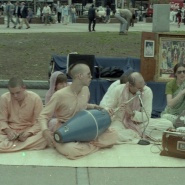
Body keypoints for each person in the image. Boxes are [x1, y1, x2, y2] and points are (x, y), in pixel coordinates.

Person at [38, 63, 117, 159]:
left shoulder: (86, 90)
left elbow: (81, 106)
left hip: (84, 127)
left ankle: (84, 143)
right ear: (79, 76)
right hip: (65, 129)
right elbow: (43, 116)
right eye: (88, 74)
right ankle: (90, 143)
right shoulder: (59, 95)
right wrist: (45, 131)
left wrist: (94, 107)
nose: (91, 77)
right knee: (72, 150)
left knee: (113, 135)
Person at [100, 72, 173, 144]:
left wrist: (132, 113)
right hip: (120, 122)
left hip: (140, 124)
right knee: (111, 133)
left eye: (144, 85)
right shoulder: (118, 89)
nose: (142, 89)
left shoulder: (147, 91)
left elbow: (147, 115)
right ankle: (135, 136)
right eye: (139, 88)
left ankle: (130, 135)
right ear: (130, 85)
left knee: (168, 124)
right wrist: (110, 110)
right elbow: (105, 106)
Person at [0, 77, 47, 152]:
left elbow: (40, 121)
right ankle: (19, 146)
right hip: (10, 131)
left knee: (44, 136)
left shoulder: (35, 98)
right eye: (12, 93)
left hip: (28, 131)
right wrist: (8, 131)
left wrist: (27, 134)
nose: (15, 96)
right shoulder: (4, 98)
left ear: (24, 88)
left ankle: (7, 146)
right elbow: (2, 120)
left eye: (18, 93)